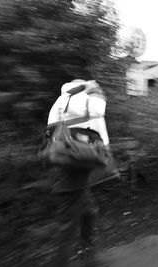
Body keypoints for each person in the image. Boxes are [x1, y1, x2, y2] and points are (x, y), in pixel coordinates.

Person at [47, 79, 110, 267]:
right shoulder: (76, 99)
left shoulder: (59, 104)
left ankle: (88, 255)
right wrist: (95, 88)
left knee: (89, 210)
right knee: (67, 229)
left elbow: (53, 130)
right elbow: (99, 109)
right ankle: (62, 261)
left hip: (70, 170)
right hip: (70, 175)